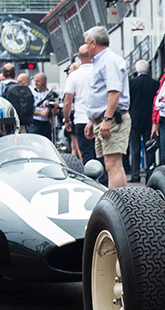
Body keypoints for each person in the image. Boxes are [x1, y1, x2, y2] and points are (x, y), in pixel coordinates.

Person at [83, 25, 131, 189]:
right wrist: (92, 120)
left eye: (87, 43)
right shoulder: (102, 61)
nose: (86, 47)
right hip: (104, 118)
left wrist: (107, 119)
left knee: (113, 165)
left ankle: (119, 206)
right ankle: (118, 202)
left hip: (113, 119)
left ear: (93, 43)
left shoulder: (109, 61)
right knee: (110, 164)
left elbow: (114, 92)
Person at [63, 45, 100, 181]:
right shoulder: (99, 72)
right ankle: (104, 184)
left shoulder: (73, 76)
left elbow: (67, 102)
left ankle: (90, 183)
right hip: (100, 119)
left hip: (81, 119)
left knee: (87, 155)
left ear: (79, 58)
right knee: (101, 155)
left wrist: (66, 120)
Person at [128, 59, 158, 182]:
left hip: (134, 119)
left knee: (135, 148)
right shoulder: (155, 84)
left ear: (136, 70)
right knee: (149, 148)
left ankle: (135, 174)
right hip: (149, 120)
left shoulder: (131, 83)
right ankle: (149, 174)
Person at [29, 73, 56, 140]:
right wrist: (40, 113)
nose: (36, 83)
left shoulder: (51, 93)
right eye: (35, 81)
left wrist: (52, 109)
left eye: (38, 81)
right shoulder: (32, 93)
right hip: (35, 122)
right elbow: (28, 109)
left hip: (47, 123)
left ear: (44, 81)